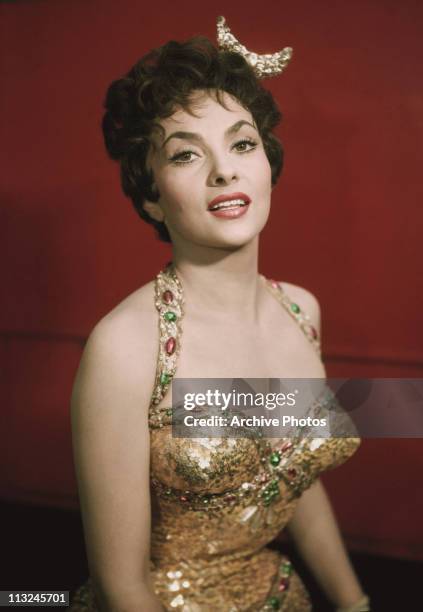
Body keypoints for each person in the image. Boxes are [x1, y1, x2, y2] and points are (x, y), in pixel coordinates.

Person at [69, 17, 370, 612]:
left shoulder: (301, 310)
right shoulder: (126, 346)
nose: (224, 171)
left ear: (266, 163)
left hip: (283, 596)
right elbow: (120, 587)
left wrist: (355, 603)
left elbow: (294, 484)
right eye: (186, 154)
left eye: (241, 143)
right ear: (151, 195)